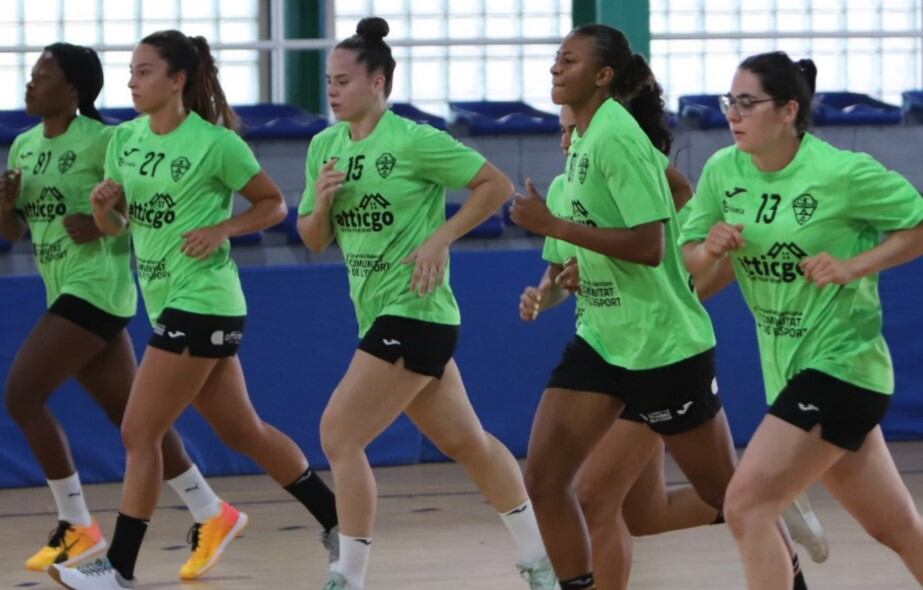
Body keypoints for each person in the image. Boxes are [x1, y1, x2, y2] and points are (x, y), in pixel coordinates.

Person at [510, 25, 808, 590]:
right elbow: (578, 248)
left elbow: (649, 246)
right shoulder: (576, 155)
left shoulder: (617, 137)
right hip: (602, 341)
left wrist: (557, 228)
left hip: (662, 348)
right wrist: (555, 285)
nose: (554, 69)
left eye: (568, 60)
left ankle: (785, 562)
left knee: (727, 497)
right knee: (550, 484)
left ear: (602, 76)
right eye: (554, 58)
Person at [48, 30, 338, 590]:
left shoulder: (216, 144)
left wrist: (223, 227)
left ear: (177, 80)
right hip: (167, 300)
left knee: (139, 430)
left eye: (145, 71)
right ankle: (338, 522)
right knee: (243, 430)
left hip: (204, 300)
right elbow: (118, 229)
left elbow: (274, 203)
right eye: (131, 71)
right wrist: (105, 210)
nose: (132, 81)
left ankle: (120, 569)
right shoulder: (124, 140)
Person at [297, 17, 555, 590]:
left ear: (379, 82)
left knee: (339, 433)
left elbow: (494, 185)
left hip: (415, 313)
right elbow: (313, 238)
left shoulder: (414, 140)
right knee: (468, 443)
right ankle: (539, 561)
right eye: (329, 80)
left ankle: (349, 574)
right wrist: (320, 202)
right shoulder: (324, 148)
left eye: (344, 80)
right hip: (386, 316)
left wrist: (441, 236)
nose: (333, 90)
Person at [0, 42, 251, 580]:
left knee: (22, 394)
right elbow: (13, 232)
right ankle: (212, 511)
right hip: (62, 287)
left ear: (71, 89)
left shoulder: (108, 138)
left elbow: (135, 205)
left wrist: (102, 222)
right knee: (135, 422)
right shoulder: (20, 147)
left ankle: (77, 523)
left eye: (42, 73)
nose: (29, 81)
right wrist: (4, 206)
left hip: (99, 288)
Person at [680, 51, 923, 590]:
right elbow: (690, 256)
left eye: (748, 102)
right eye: (729, 102)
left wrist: (852, 266)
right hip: (790, 372)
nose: (733, 114)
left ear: (788, 110)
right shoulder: (724, 171)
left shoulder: (840, 173)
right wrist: (709, 250)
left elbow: (918, 225)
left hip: (844, 367)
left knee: (746, 506)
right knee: (897, 527)